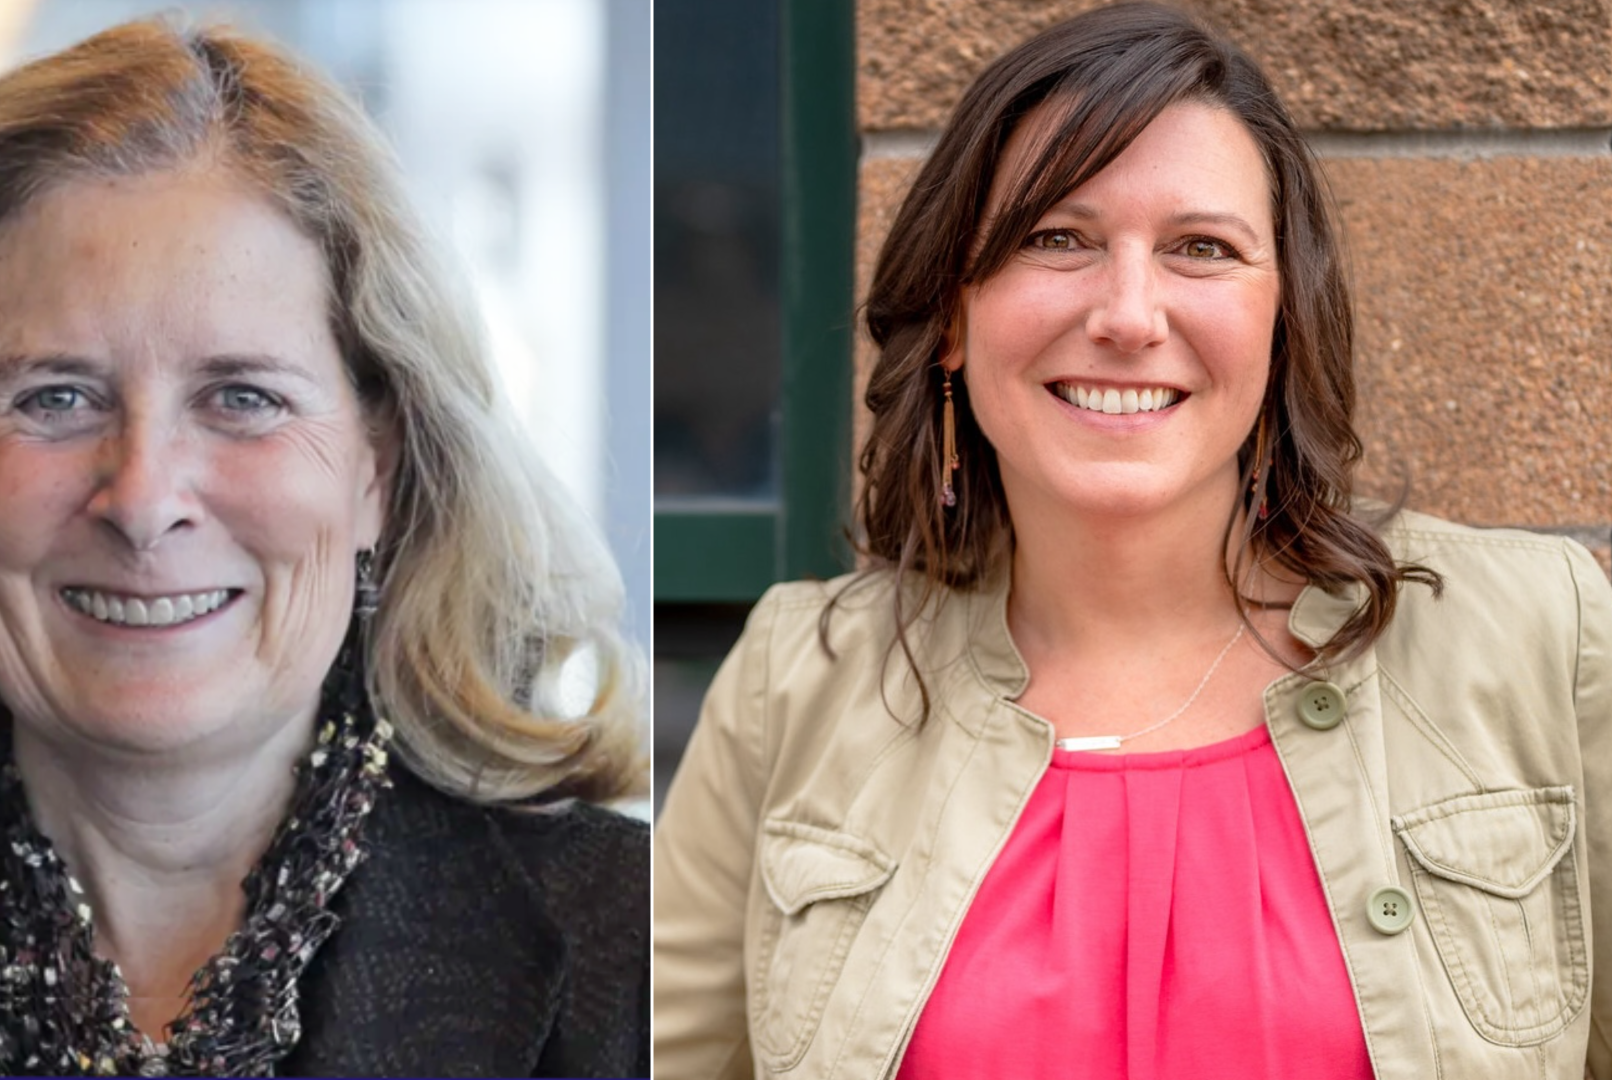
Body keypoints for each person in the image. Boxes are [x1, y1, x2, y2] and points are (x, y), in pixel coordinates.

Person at [652, 4, 1612, 1078]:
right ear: (955, 315)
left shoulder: (1534, 636)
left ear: (1283, 315)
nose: (1129, 314)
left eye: (1202, 249)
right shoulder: (798, 681)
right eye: (1056, 239)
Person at [0, 18, 648, 1078]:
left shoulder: (645, 958)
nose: (144, 501)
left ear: (376, 467)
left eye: (242, 397)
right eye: (56, 397)